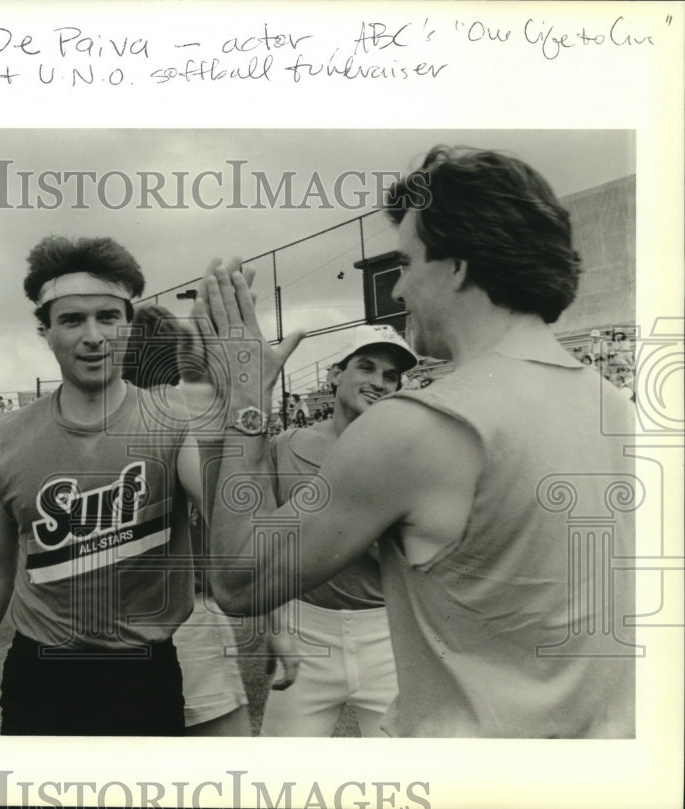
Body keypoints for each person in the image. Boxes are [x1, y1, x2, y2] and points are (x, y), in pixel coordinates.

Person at [201, 146, 636, 738]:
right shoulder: (616, 407)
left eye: (405, 264)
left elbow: (238, 579)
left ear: (455, 267)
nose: (400, 290)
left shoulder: (419, 426)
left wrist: (245, 397)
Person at [0, 235, 204, 736]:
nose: (94, 336)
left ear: (128, 325)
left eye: (108, 317)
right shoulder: (7, 436)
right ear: (45, 331)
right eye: (71, 320)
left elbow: (226, 514)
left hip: (143, 672)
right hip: (40, 675)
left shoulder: (175, 421)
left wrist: (245, 414)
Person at [260, 325, 417, 737]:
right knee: (278, 783)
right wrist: (276, 628)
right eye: (366, 367)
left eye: (390, 376)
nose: (378, 383)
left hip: (386, 633)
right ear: (334, 375)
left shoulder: (408, 458)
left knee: (409, 784)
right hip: (305, 627)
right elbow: (266, 548)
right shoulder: (286, 447)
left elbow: (415, 563)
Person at [123, 302, 252, 736]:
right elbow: (231, 512)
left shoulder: (92, 424)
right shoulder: (183, 418)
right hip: (186, 614)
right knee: (225, 769)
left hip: (109, 625)